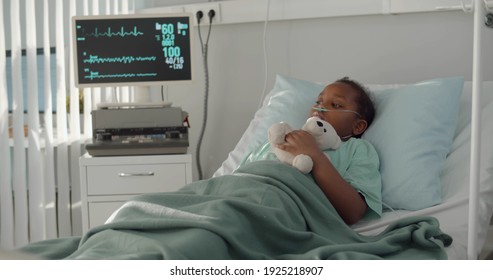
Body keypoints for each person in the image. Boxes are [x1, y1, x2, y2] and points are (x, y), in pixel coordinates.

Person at [240, 77, 382, 225]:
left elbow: (354, 212)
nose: (320, 108)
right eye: (318, 102)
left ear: (357, 126)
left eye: (335, 104)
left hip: (279, 210)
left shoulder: (356, 149)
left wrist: (314, 155)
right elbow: (237, 177)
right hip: (240, 196)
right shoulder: (279, 137)